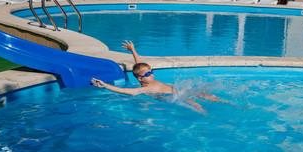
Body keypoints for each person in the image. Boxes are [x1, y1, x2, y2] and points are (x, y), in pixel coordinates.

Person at [91, 40, 231, 112]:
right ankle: (208, 117)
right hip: (176, 99)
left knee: (207, 95)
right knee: (197, 105)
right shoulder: (144, 89)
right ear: (140, 79)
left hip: (181, 91)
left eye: (151, 72)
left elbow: (140, 64)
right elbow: (125, 91)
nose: (151, 75)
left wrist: (133, 49)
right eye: (148, 74)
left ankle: (231, 104)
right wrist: (105, 85)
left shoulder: (145, 76)